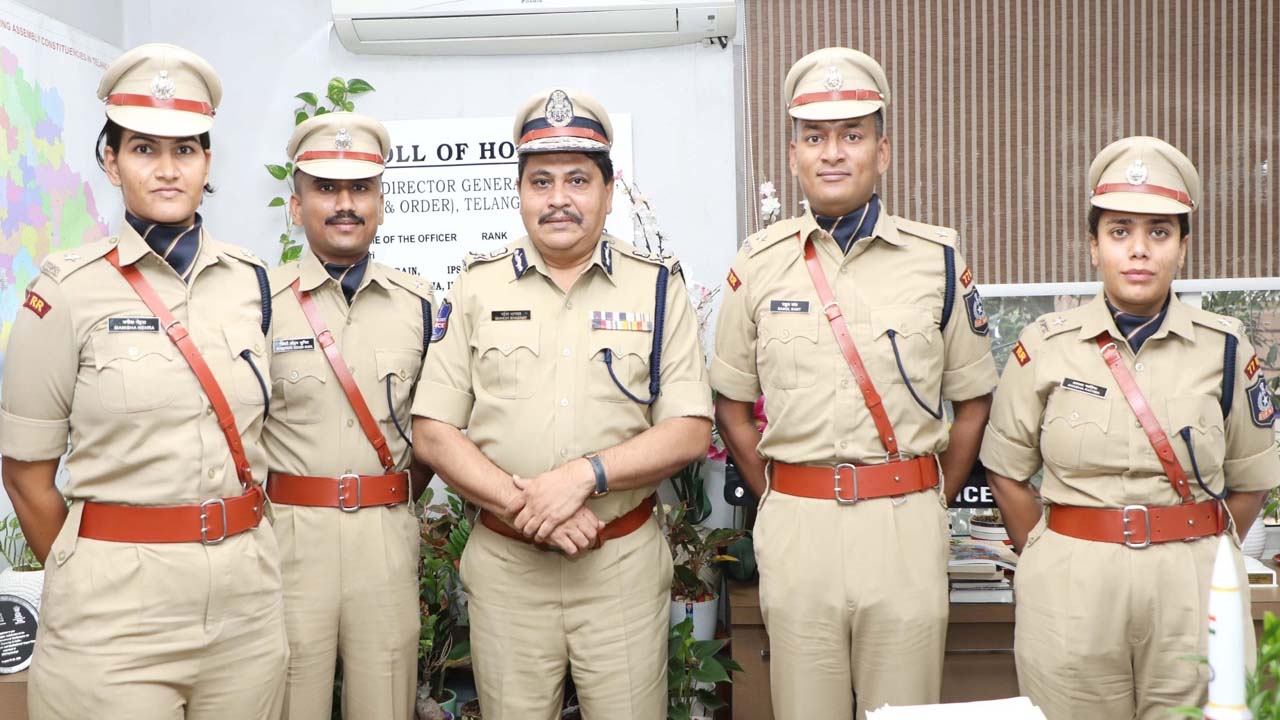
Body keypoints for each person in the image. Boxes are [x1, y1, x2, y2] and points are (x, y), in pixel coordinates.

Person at [0, 43, 287, 718]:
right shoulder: (66, 291)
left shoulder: (251, 283)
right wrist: (91, 572)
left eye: (185, 149)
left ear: (207, 162)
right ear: (111, 161)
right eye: (143, 149)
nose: (166, 168)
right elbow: (26, 475)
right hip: (113, 617)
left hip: (244, 608)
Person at [711, 47, 997, 719]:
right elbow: (730, 405)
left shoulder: (936, 259)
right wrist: (779, 499)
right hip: (798, 527)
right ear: (793, 157)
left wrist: (928, 501)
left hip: (904, 526)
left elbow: (974, 401)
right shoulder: (757, 265)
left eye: (852, 135)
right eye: (814, 137)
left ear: (882, 151)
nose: (833, 153)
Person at [411, 87, 712, 719]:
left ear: (609, 190)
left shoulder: (657, 288)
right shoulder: (476, 287)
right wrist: (528, 506)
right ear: (519, 192)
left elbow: (688, 429)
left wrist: (583, 477)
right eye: (541, 181)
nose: (558, 199)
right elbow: (433, 430)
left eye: (578, 180)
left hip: (619, 569)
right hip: (508, 570)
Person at [982, 135, 1280, 719]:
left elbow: (1251, 480)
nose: (1139, 250)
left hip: (1192, 588)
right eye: (1119, 231)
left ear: (1183, 248)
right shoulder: (1044, 346)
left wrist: (1192, 547)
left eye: (1159, 232)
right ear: (1094, 246)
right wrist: (1047, 554)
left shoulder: (1225, 348)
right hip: (1071, 586)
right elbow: (1006, 471)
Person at [263, 111, 434, 720]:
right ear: (296, 205)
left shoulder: (418, 305)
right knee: (287, 702)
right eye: (325, 188)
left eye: (360, 188)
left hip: (384, 539)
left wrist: (389, 496)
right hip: (288, 538)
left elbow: (434, 429)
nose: (344, 204)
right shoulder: (259, 302)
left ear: (380, 204)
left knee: (385, 701)